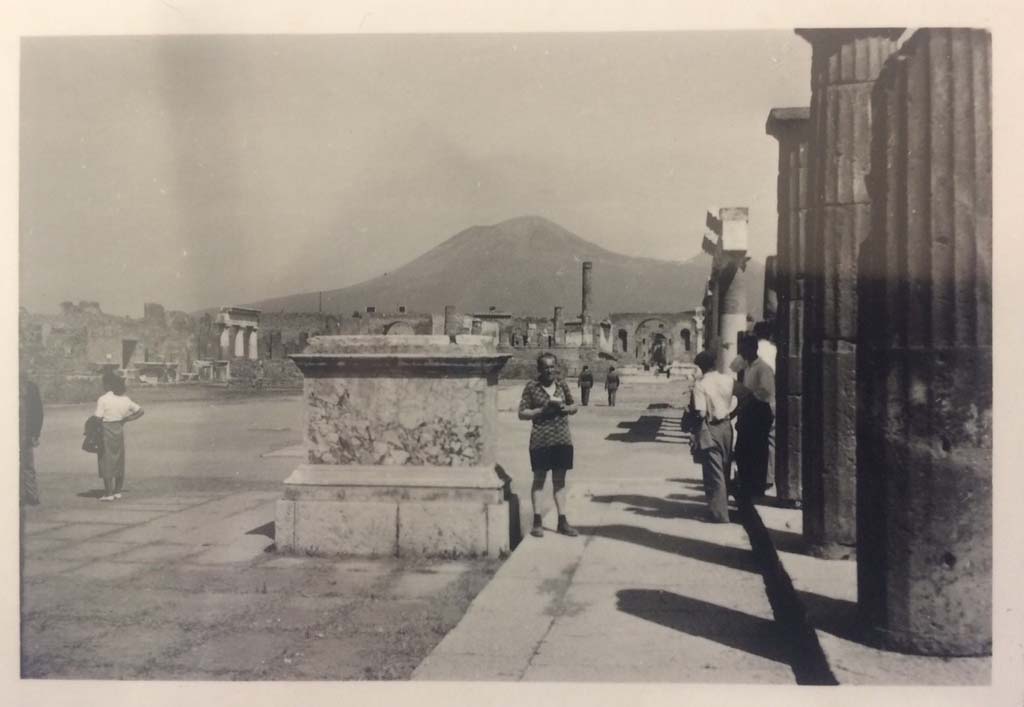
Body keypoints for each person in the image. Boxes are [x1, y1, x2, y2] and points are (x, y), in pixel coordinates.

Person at [518, 352, 579, 538]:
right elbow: (522, 413)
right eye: (545, 367)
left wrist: (566, 409)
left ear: (556, 367)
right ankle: (537, 522)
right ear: (539, 369)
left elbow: (574, 406)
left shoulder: (562, 385)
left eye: (552, 367)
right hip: (541, 439)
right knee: (539, 480)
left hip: (562, 439)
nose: (549, 370)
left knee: (559, 482)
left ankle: (562, 521)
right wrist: (541, 410)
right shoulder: (531, 387)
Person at [690, 350, 737, 523]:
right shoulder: (728, 379)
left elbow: (701, 412)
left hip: (711, 428)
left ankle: (719, 514)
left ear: (701, 367)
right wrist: (731, 413)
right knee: (724, 469)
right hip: (727, 427)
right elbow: (743, 396)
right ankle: (722, 508)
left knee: (713, 472)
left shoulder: (700, 384)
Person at [733, 334, 775, 498]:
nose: (741, 353)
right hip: (749, 409)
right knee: (745, 448)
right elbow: (732, 366)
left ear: (753, 349)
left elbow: (767, 391)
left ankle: (760, 484)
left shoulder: (763, 368)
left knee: (759, 449)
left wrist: (748, 395)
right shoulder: (747, 366)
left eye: (744, 350)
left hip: (759, 409)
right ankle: (748, 482)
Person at [94, 373, 145, 501]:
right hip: (119, 429)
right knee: (118, 459)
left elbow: (98, 418)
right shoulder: (125, 399)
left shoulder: (103, 399)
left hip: (105, 430)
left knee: (106, 460)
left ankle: (108, 493)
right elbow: (140, 411)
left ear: (108, 384)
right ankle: (117, 491)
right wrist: (126, 419)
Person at [19, 371, 43, 506]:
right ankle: (30, 495)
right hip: (24, 433)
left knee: (27, 465)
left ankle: (31, 495)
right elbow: (38, 412)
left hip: (24, 433)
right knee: (27, 466)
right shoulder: (31, 387)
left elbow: (37, 412)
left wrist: (35, 433)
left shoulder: (30, 388)